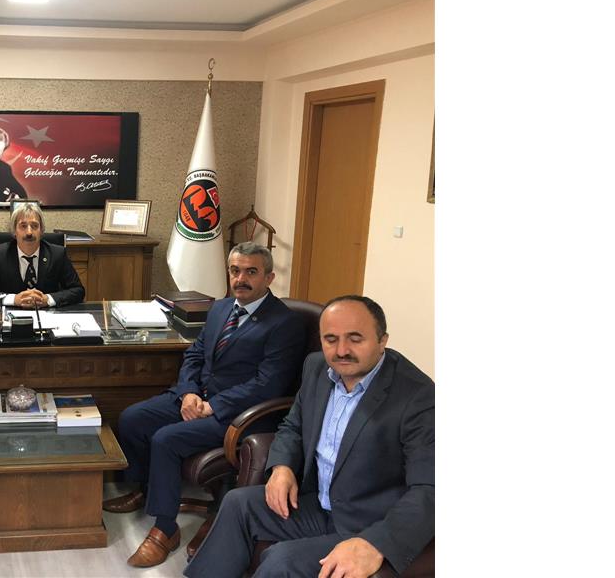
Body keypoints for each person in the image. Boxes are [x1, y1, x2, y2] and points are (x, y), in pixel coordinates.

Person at [184, 296, 434, 578]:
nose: (342, 351)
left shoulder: (418, 396)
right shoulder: (316, 367)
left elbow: (430, 489)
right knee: (237, 503)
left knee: (281, 560)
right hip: (317, 502)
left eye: (355, 339)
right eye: (331, 339)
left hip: (367, 522)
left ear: (382, 340)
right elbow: (293, 425)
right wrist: (282, 467)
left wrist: (376, 543)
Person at [104, 242, 307, 568]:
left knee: (166, 439)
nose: (241, 279)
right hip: (198, 398)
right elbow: (195, 355)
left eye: (251, 272)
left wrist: (213, 406)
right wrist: (188, 393)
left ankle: (165, 529)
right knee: (132, 419)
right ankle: (147, 489)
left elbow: (268, 384)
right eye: (235, 270)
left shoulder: (285, 323)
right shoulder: (221, 308)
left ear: (269, 277)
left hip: (240, 414)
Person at [0, 202, 84, 308]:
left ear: (41, 230)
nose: (29, 232)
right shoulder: (0, 254)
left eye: (34, 226)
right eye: (23, 226)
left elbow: (78, 290)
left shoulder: (57, 254)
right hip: (11, 315)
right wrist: (13, 299)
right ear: (14, 231)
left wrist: (48, 299)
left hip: (48, 315)